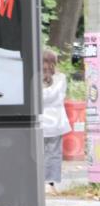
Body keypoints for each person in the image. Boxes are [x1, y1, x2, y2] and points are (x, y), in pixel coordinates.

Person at [41, 49, 71, 191]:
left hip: (40, 121)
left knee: (38, 153)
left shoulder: (35, 78)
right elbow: (60, 96)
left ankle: (38, 181)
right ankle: (50, 184)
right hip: (57, 122)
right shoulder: (61, 78)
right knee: (54, 154)